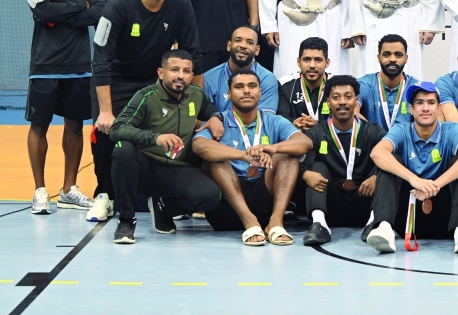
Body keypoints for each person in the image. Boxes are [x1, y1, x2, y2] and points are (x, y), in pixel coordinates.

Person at [89, 0, 202, 224]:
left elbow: (193, 57)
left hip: (156, 80)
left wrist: (197, 108)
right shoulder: (116, 6)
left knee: (171, 131)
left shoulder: (181, 3)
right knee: (108, 132)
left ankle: (161, 196)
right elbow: (101, 60)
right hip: (116, 79)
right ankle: (105, 195)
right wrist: (105, 111)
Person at [25, 0, 104, 214]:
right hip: (45, 65)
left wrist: (61, 13)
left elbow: (98, 11)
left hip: (80, 65)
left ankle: (69, 189)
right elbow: (41, 10)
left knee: (75, 126)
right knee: (39, 126)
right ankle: (40, 191)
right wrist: (77, 6)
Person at [109, 50, 223, 243]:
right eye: (174, 70)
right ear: (161, 73)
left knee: (212, 196)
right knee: (123, 149)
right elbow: (117, 129)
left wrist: (215, 117)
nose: (180, 75)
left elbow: (212, 111)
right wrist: (156, 138)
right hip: (146, 167)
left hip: (178, 169)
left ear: (192, 76)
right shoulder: (146, 96)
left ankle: (164, 207)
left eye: (186, 71)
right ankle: (126, 221)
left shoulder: (196, 94)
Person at [193, 70, 311, 246]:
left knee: (288, 155)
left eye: (252, 86)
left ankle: (276, 222)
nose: (247, 91)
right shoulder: (218, 121)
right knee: (216, 158)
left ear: (260, 92)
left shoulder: (274, 121)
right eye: (239, 87)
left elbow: (305, 142)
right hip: (228, 209)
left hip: (264, 201)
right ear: (229, 93)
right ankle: (249, 221)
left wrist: (273, 148)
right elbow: (199, 146)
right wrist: (243, 155)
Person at [365, 81, 458, 254]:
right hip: (408, 214)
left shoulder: (451, 129)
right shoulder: (401, 129)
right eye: (419, 103)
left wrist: (437, 185)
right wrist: (415, 180)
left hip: (445, 213)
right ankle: (384, 228)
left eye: (431, 102)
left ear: (439, 109)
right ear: (411, 110)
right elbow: (377, 153)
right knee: (390, 161)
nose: (425, 108)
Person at [299, 75, 387, 246]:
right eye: (336, 97)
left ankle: (374, 223)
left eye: (348, 96)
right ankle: (319, 224)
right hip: (330, 205)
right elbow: (300, 165)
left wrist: (377, 176)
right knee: (316, 167)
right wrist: (304, 174)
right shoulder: (316, 132)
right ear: (328, 102)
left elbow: (394, 159)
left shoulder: (373, 132)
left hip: (363, 200)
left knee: (386, 168)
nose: (342, 102)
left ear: (356, 101)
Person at [202, 25, 278, 113]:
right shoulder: (208, 79)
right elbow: (208, 121)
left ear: (257, 50)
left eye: (249, 42)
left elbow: (266, 120)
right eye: (238, 40)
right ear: (229, 46)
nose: (243, 46)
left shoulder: (267, 79)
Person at [356, 34, 420, 130]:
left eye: (398, 55)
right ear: (378, 58)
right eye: (387, 54)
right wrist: (375, 134)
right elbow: (353, 113)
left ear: (406, 59)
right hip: (374, 142)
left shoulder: (416, 87)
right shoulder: (363, 84)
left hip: (405, 143)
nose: (392, 59)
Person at [277, 37, 334, 129]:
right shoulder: (284, 84)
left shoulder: (337, 86)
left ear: (327, 63)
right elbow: (280, 117)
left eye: (318, 60)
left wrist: (318, 126)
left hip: (329, 138)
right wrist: (293, 122)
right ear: (298, 62)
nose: (312, 65)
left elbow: (344, 121)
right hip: (295, 137)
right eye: (306, 59)